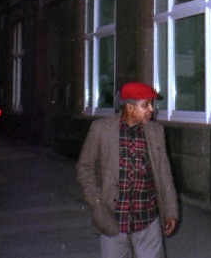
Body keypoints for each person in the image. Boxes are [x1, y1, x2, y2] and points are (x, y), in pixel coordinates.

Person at [76, 82, 179, 258]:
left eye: (151, 104)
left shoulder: (156, 131)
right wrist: (96, 202)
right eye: (145, 105)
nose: (151, 110)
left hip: (147, 215)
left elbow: (164, 174)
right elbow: (84, 168)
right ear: (130, 107)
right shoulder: (101, 129)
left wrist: (171, 211)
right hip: (113, 216)